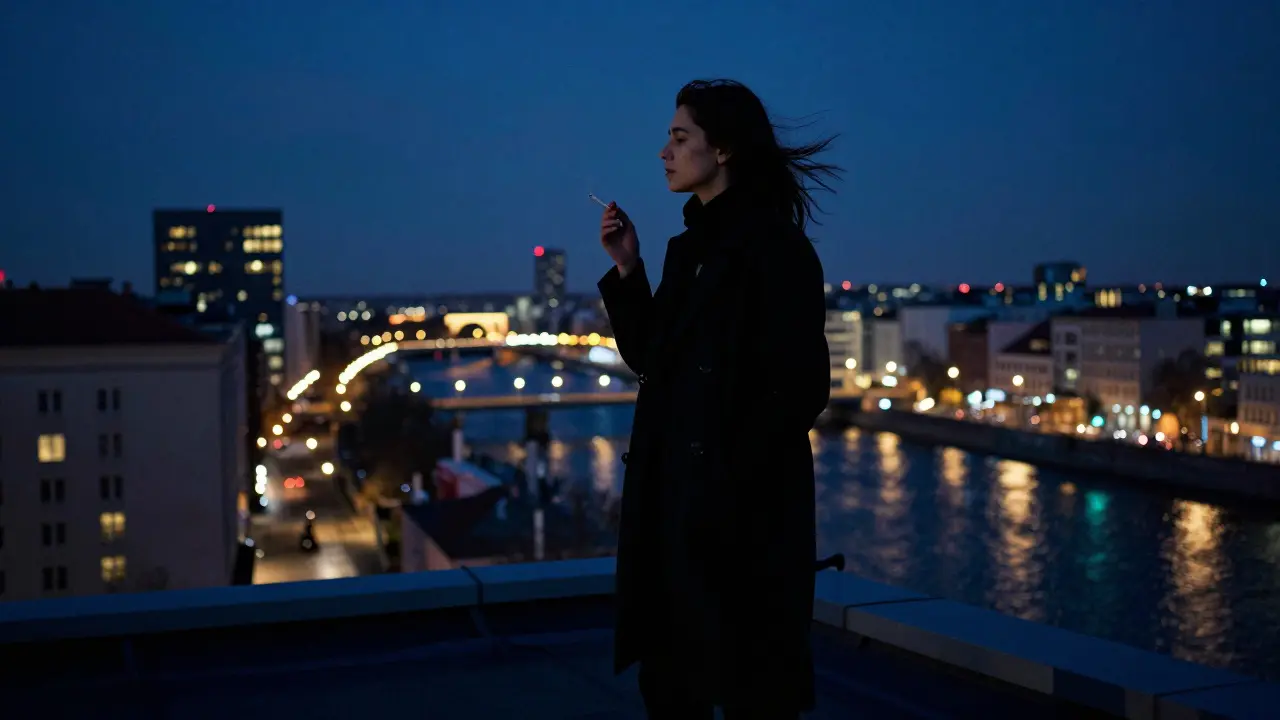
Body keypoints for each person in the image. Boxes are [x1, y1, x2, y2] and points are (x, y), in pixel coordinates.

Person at [597, 79, 840, 719]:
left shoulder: (777, 250)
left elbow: (802, 390)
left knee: (746, 690)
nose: (664, 153)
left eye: (680, 138)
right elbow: (655, 360)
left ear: (724, 149)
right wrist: (628, 269)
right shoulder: (689, 250)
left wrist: (726, 484)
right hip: (680, 519)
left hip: (737, 527)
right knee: (676, 689)